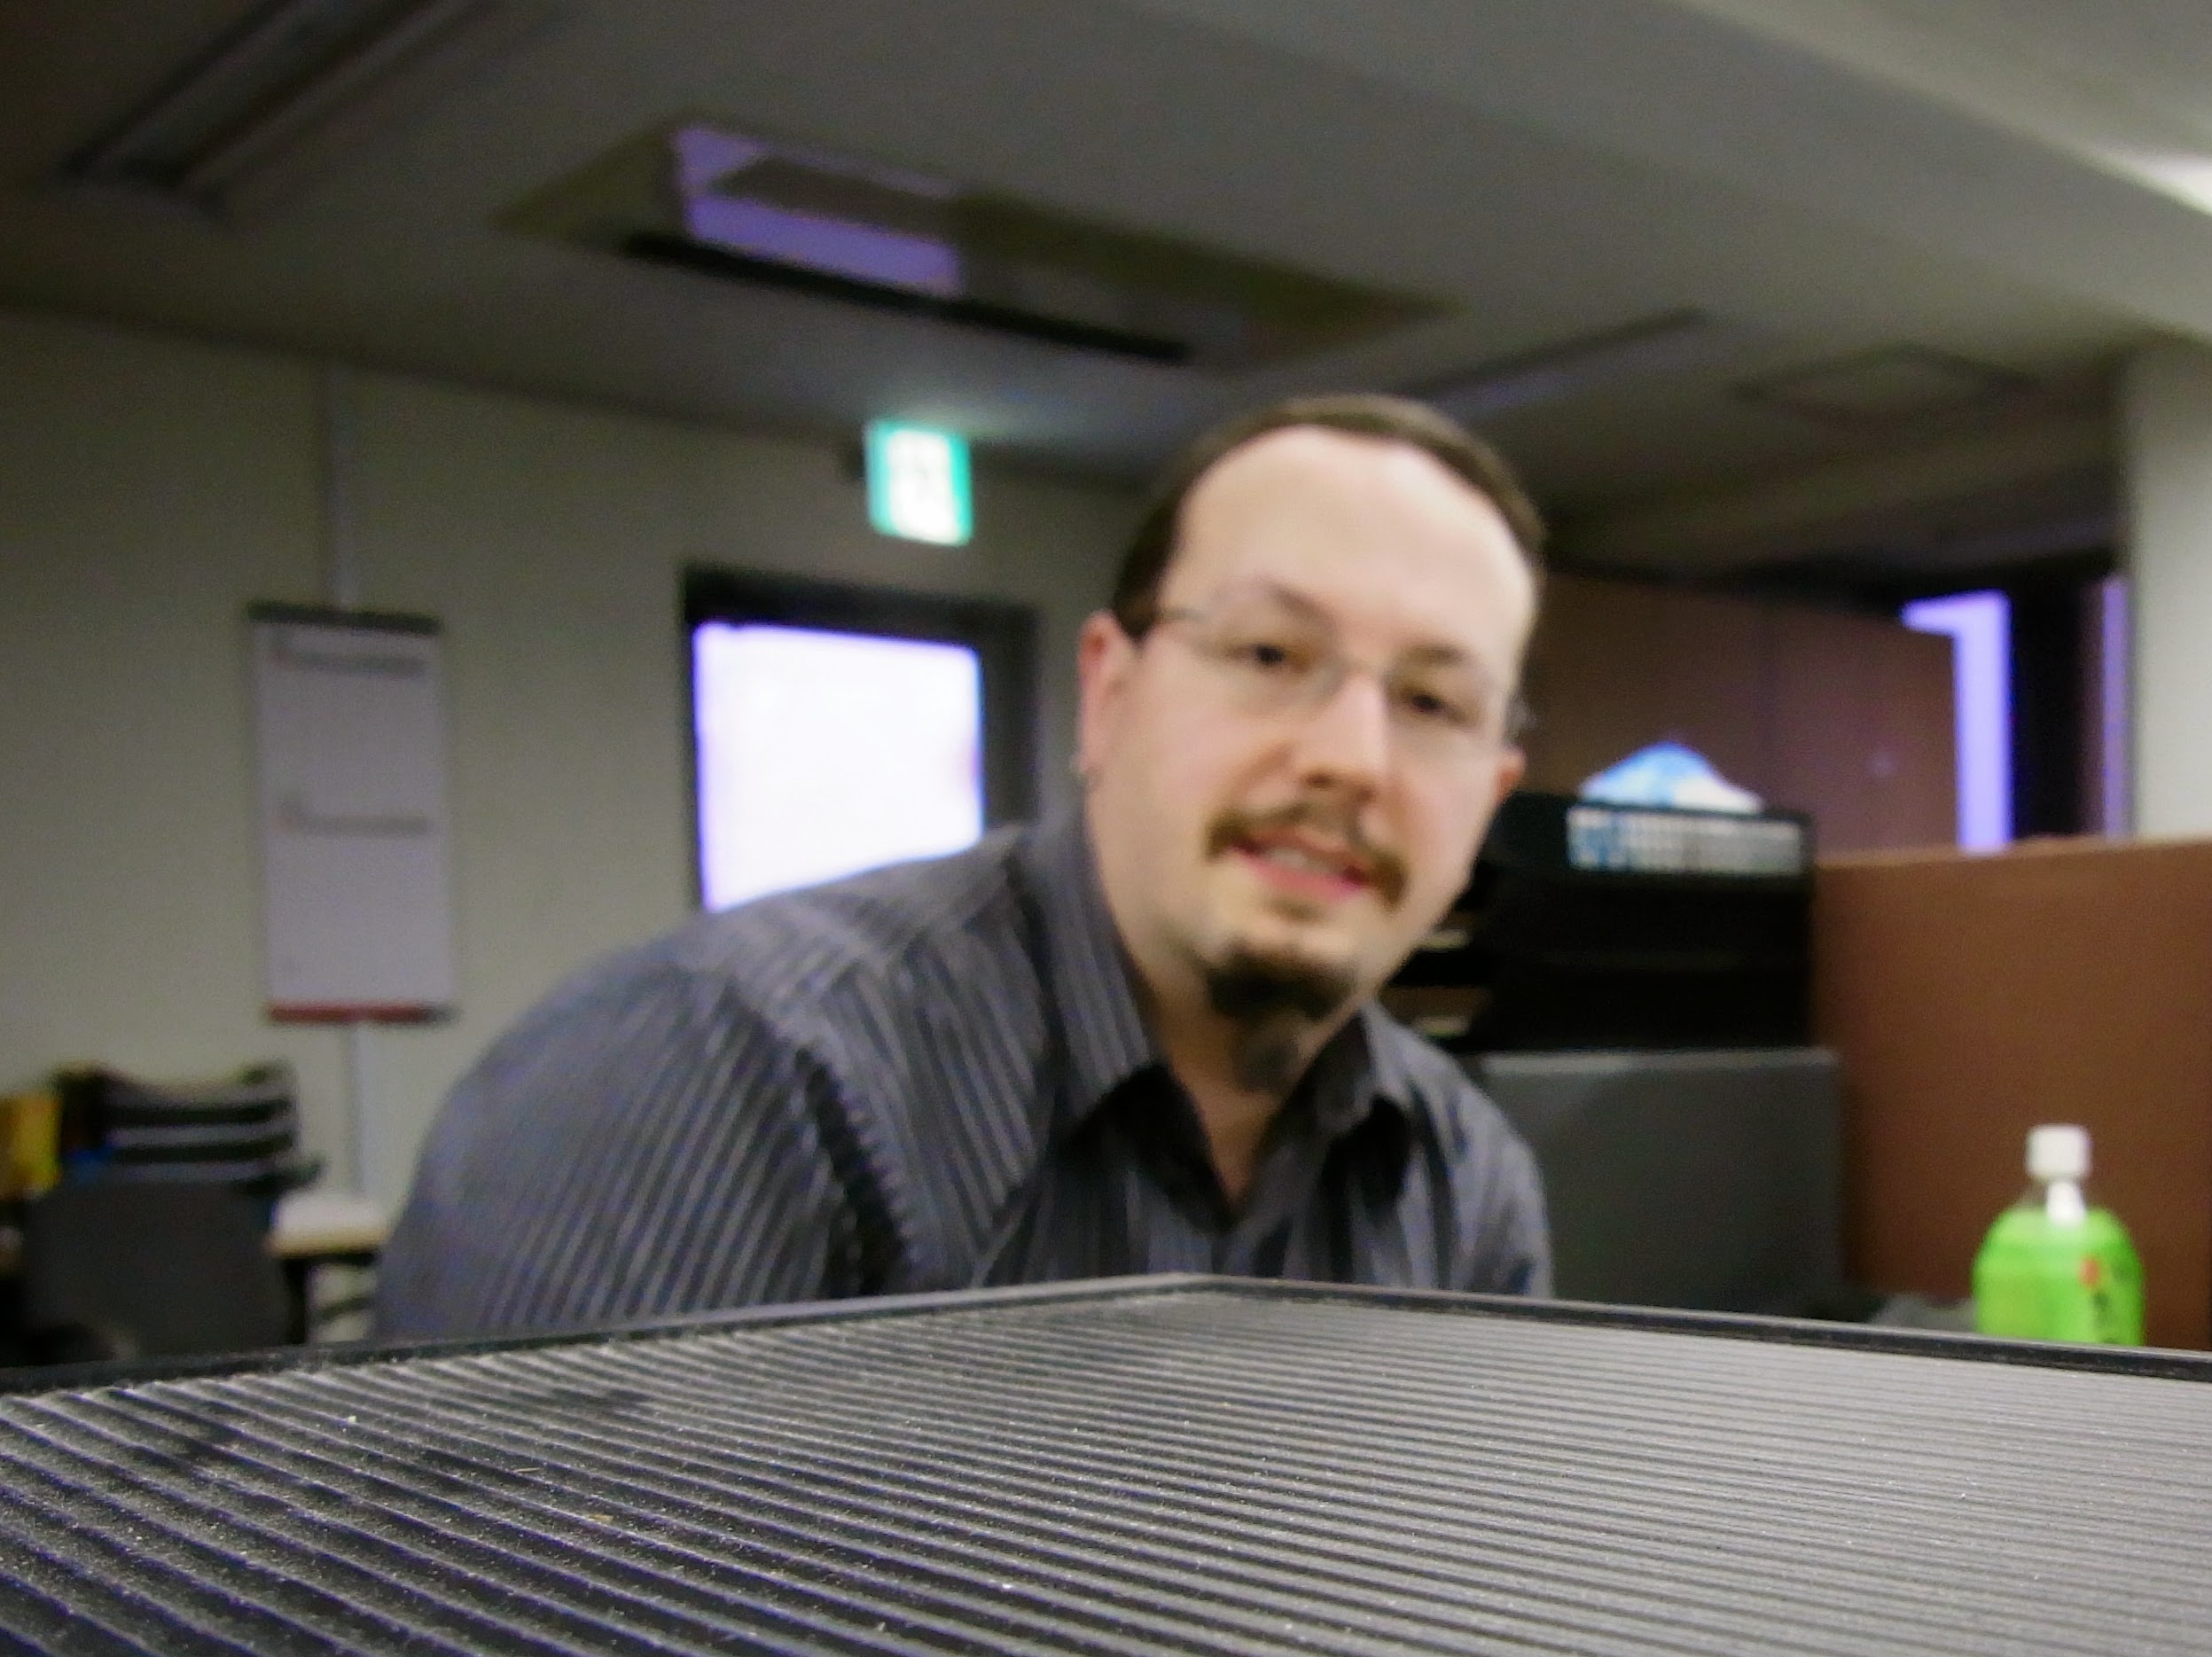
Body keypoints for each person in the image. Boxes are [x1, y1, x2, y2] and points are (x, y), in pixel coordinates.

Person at [374, 394, 1550, 1338]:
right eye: (1268, 650)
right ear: (1108, 693)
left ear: (1491, 792)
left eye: (1435, 702)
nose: (1350, 758)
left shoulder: (1464, 1177)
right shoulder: (723, 1072)